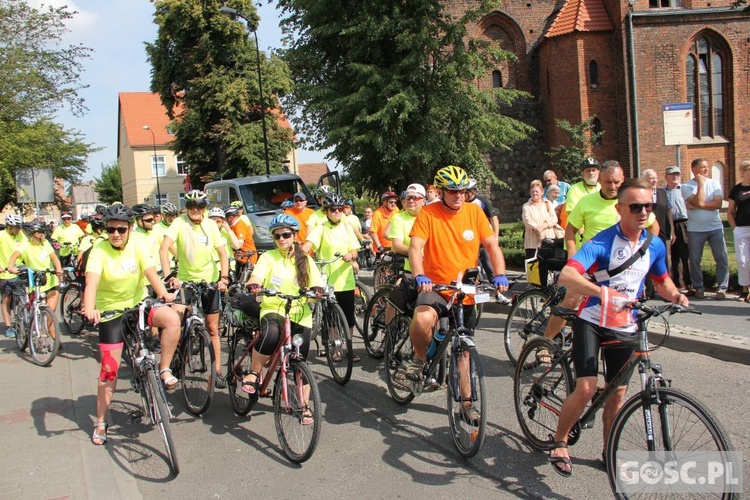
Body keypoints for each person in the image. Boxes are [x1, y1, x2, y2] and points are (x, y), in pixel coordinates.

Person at [547, 178, 689, 477]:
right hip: (593, 320)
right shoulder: (601, 242)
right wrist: (602, 293)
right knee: (586, 387)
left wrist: (676, 295)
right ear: (620, 208)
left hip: (625, 324)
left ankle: (608, 450)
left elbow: (661, 280)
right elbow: (567, 276)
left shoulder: (655, 244)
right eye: (635, 206)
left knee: (618, 393)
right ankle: (560, 441)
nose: (643, 212)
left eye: (648, 206)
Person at [400, 166, 509, 422]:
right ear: (440, 191)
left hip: (465, 289)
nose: (458, 195)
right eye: (452, 191)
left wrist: (500, 274)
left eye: (462, 190)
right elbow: (416, 247)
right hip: (436, 285)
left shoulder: (474, 211)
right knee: (422, 319)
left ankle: (467, 404)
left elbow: (492, 245)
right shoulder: (428, 213)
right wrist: (419, 275)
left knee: (464, 347)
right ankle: (418, 359)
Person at [82, 204, 181, 446]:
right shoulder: (99, 251)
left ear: (129, 229)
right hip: (110, 312)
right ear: (105, 230)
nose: (116, 234)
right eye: (111, 229)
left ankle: (164, 368)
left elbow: (151, 274)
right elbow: (91, 283)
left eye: (121, 230)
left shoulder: (137, 244)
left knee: (172, 319)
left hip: (137, 304)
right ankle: (101, 421)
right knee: (109, 371)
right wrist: (90, 307)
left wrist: (164, 294)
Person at [241, 214, 324, 426]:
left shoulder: (305, 259)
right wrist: (254, 284)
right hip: (273, 308)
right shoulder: (268, 257)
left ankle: (304, 405)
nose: (282, 239)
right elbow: (257, 276)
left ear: (295, 236)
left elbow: (316, 284)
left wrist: (317, 291)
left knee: (299, 359)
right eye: (277, 236)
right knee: (271, 334)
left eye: (286, 235)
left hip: (299, 313)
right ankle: (254, 372)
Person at [159, 190, 230, 388]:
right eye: (191, 206)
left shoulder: (210, 225)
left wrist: (223, 278)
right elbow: (164, 249)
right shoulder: (179, 223)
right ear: (187, 207)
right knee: (176, 318)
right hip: (185, 281)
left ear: (205, 208)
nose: (196, 210)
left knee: (213, 328)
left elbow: (223, 253)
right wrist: (169, 276)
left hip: (209, 280)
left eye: (200, 206)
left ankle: (216, 372)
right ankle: (172, 360)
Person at [303, 193, 360, 360]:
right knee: (332, 318)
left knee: (349, 317)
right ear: (326, 211)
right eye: (333, 209)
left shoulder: (347, 227)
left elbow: (355, 250)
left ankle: (349, 348)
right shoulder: (321, 228)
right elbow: (308, 245)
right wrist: (299, 256)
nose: (336, 212)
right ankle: (336, 348)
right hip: (327, 279)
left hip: (345, 278)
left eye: (340, 209)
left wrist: (351, 255)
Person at [7, 221, 63, 345]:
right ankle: (34, 329)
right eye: (41, 233)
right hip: (35, 282)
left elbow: (54, 258)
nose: (43, 235)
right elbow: (14, 256)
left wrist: (58, 269)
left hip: (50, 280)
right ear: (34, 234)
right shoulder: (24, 245)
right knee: (35, 309)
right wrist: (11, 267)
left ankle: (47, 333)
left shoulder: (45, 243)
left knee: (51, 309)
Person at [682, 158, 729, 299]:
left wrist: (698, 204)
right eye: (702, 167)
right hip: (695, 229)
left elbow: (718, 204)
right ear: (693, 169)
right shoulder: (686, 187)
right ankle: (699, 287)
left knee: (721, 258)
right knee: (695, 260)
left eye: (707, 167)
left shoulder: (714, 183)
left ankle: (722, 288)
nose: (706, 170)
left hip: (715, 227)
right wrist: (701, 184)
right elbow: (697, 201)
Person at [664, 166, 692, 294]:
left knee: (686, 254)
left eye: (677, 174)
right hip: (669, 224)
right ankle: (678, 283)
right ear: (666, 177)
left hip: (683, 223)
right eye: (671, 175)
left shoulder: (685, 190)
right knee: (673, 255)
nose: (675, 177)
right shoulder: (662, 192)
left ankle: (690, 283)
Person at [0, 214, 27, 338]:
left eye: (19, 226)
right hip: (5, 273)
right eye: (16, 227)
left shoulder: (21, 235)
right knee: (6, 299)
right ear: (9, 226)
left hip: (20, 271)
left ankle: (24, 320)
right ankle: (9, 326)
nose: (18, 229)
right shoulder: (1, 236)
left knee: (24, 297)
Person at [728, 160, 750, 302]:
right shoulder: (736, 190)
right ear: (742, 172)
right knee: (742, 261)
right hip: (741, 229)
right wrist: (735, 228)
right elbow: (730, 212)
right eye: (748, 169)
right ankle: (744, 290)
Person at [522, 180, 558, 259]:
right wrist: (537, 229)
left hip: (548, 240)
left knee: (548, 265)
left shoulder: (548, 204)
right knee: (533, 267)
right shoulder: (526, 206)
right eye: (532, 192)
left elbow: (554, 219)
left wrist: (544, 226)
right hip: (532, 243)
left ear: (542, 192)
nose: (535, 193)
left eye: (537, 191)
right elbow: (527, 221)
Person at [224, 205, 258, 276]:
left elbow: (239, 245)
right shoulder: (233, 225)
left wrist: (228, 230)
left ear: (230, 218)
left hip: (247, 258)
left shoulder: (239, 226)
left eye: (225, 218)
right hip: (240, 258)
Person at [369, 191, 400, 257]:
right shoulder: (377, 214)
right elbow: (373, 232)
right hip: (382, 248)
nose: (393, 204)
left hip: (394, 247)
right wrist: (379, 247)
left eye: (395, 202)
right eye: (391, 202)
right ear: (384, 202)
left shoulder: (396, 210)